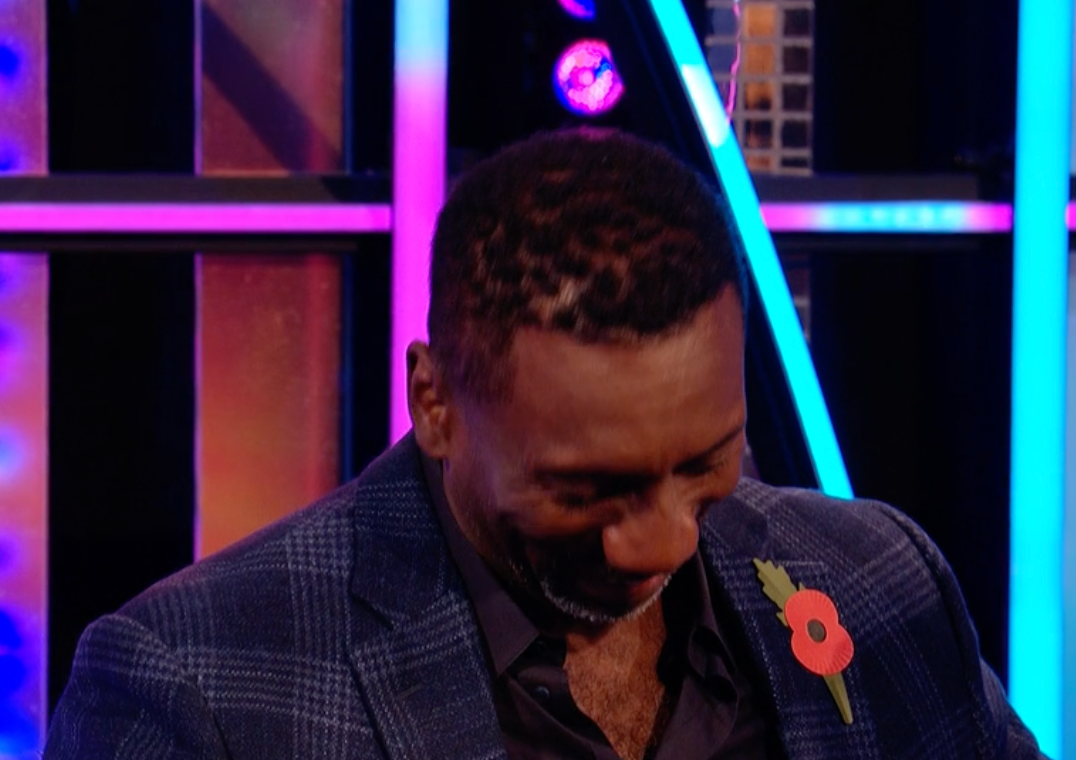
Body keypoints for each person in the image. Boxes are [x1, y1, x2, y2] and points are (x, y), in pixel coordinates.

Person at [45, 129, 1044, 759]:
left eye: (704, 463)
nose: (661, 542)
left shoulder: (882, 583)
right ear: (434, 401)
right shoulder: (197, 688)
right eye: (587, 487)